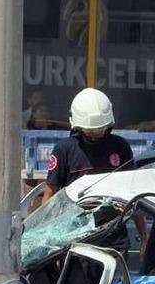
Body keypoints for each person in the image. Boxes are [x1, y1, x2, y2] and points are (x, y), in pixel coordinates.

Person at [41, 88, 147, 256]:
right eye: (91, 130)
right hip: (75, 242)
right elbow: (50, 195)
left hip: (114, 242)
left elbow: (133, 194)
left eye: (100, 128)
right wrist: (45, 239)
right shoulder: (64, 150)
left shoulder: (120, 147)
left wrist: (144, 237)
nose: (96, 133)